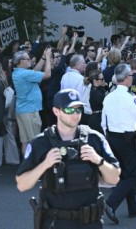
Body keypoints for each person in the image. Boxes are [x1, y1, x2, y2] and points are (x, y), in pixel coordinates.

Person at [16, 88, 121, 229]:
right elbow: (22, 185)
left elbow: (115, 179)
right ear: (56, 111)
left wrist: (98, 160)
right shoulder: (41, 142)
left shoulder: (94, 138)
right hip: (55, 222)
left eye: (79, 110)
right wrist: (45, 164)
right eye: (69, 110)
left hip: (90, 222)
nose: (75, 115)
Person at [101, 64, 136, 225]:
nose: (132, 78)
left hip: (112, 139)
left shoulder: (108, 96)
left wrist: (107, 137)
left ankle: (133, 208)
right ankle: (111, 203)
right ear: (126, 79)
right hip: (128, 140)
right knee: (132, 175)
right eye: (130, 76)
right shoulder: (131, 97)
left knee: (124, 175)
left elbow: (103, 122)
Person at [12, 48, 51, 156]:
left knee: (25, 141)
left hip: (23, 110)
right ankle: (34, 165)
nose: (30, 60)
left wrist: (43, 57)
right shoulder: (24, 74)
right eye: (27, 59)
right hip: (30, 111)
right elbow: (47, 74)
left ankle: (27, 165)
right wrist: (48, 58)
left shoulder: (18, 72)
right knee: (34, 141)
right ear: (20, 62)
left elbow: (35, 71)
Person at [87, 70, 107, 135]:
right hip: (97, 119)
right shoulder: (95, 92)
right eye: (101, 79)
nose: (103, 81)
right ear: (95, 81)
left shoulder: (98, 89)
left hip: (98, 117)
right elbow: (104, 102)